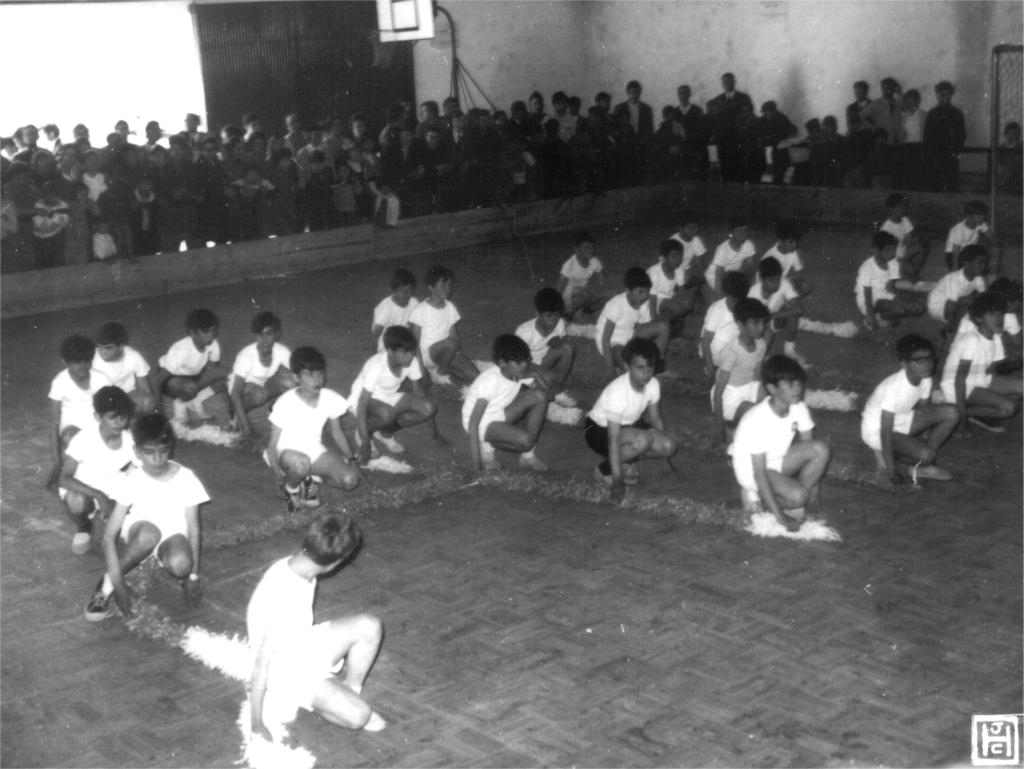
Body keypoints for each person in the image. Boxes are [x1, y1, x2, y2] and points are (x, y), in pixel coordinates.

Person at [247, 512, 386, 743]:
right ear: (334, 564)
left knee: (369, 626)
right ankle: (323, 700)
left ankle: (348, 693)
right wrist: (256, 724)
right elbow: (262, 663)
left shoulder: (299, 563)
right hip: (283, 671)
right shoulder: (285, 596)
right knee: (359, 716)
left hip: (301, 643)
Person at [84, 413, 208, 621]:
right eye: (149, 452)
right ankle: (105, 587)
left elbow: (194, 531)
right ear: (137, 452)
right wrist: (118, 587)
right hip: (141, 530)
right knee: (149, 535)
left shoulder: (186, 477)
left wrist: (193, 576)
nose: (157, 459)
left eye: (163, 450)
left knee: (181, 566)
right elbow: (109, 537)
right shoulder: (133, 479)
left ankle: (159, 557)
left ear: (171, 447)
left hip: (172, 533)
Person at [729, 355, 831, 530]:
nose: (797, 388)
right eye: (790, 384)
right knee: (798, 497)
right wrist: (781, 517)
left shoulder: (798, 408)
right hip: (752, 471)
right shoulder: (757, 420)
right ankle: (754, 498)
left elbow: (810, 451)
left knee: (820, 449)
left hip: (776, 462)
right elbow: (759, 473)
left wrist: (813, 502)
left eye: (798, 383)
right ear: (772, 388)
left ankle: (793, 498)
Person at [266, 346, 360, 512]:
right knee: (301, 463)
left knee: (350, 480)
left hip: (313, 451)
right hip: (285, 451)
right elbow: (272, 445)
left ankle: (309, 479)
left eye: (320, 373)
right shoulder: (285, 402)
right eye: (309, 374)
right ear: (296, 377)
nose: (317, 379)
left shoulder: (330, 397)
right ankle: (291, 490)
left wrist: (351, 460)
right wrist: (278, 475)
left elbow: (337, 432)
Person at [585, 337, 678, 500]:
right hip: (599, 430)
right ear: (627, 367)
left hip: (629, 424)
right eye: (640, 367)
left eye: (650, 366)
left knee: (669, 446)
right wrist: (617, 482)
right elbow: (613, 438)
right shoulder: (618, 392)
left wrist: (665, 461)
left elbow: (656, 419)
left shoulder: (653, 384)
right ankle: (603, 470)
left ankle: (626, 460)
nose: (646, 373)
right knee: (642, 441)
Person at [861, 334, 958, 489]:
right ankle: (897, 464)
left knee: (952, 412)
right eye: (919, 361)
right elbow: (885, 433)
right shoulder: (893, 389)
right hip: (876, 431)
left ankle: (920, 463)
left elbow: (924, 412)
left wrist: (923, 441)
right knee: (927, 455)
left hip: (901, 419)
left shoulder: (925, 378)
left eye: (929, 359)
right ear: (904, 364)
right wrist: (892, 474)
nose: (926, 365)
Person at [59, 386, 136, 555]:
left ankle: (105, 517)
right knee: (76, 501)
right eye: (112, 417)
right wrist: (99, 496)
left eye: (123, 417)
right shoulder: (84, 439)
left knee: (113, 536)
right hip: (83, 485)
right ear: (97, 417)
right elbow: (64, 478)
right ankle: (84, 526)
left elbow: (141, 469)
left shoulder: (129, 440)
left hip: (112, 484)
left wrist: (122, 499)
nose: (119, 422)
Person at [462, 334, 550, 473]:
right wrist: (476, 465)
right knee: (526, 441)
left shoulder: (516, 372)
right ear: (502, 362)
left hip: (498, 413)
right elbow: (473, 423)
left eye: (526, 361)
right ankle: (487, 448)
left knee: (539, 396)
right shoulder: (490, 381)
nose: (524, 366)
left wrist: (537, 376)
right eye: (519, 362)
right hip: (481, 424)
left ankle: (527, 457)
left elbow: (548, 397)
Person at [350, 326, 438, 461]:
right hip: (361, 400)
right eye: (404, 353)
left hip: (387, 397)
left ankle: (385, 433)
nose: (410, 356)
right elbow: (361, 405)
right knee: (387, 414)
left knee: (429, 408)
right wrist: (365, 442)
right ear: (390, 352)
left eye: (412, 352)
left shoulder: (412, 362)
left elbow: (419, 393)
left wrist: (434, 432)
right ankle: (364, 432)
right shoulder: (376, 366)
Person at [940, 292, 1022, 434]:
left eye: (1000, 313)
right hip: (958, 387)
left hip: (979, 380)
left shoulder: (994, 338)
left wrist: (1000, 391)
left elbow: (991, 371)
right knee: (1009, 408)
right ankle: (961, 412)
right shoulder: (972, 340)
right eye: (991, 314)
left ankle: (975, 409)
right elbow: (960, 379)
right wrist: (963, 418)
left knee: (1020, 388)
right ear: (978, 318)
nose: (998, 318)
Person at [49, 335, 112, 488]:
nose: (83, 366)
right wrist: (56, 463)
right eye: (77, 362)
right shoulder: (59, 382)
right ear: (65, 362)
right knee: (73, 439)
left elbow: (112, 408)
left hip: (97, 424)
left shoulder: (101, 378)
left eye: (87, 361)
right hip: (72, 429)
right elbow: (54, 424)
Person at [150, 308, 231, 426]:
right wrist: (159, 411)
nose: (211, 336)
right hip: (171, 378)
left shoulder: (213, 344)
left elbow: (212, 369)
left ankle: (197, 399)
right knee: (190, 388)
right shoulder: (181, 350)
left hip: (193, 374)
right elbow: (156, 380)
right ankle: (180, 407)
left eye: (213, 331)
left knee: (231, 375)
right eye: (205, 332)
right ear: (192, 334)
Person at [229, 312, 298, 438]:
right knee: (259, 395)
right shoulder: (247, 356)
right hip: (240, 386)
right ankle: (235, 412)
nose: (264, 340)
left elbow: (299, 371)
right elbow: (235, 392)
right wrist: (247, 426)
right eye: (260, 335)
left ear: (277, 334)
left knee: (292, 382)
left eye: (269, 334)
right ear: (256, 336)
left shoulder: (281, 350)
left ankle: (274, 407)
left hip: (261, 383)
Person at [408, 265, 479, 386]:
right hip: (427, 356)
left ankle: (442, 370)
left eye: (449, 285)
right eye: (443, 286)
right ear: (431, 287)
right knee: (450, 344)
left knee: (474, 376)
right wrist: (420, 370)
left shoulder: (450, 307)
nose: (447, 289)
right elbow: (414, 344)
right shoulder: (420, 310)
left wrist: (461, 357)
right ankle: (440, 373)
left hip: (446, 353)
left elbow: (454, 336)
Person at [712, 298, 769, 445]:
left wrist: (760, 398)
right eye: (756, 323)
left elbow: (757, 376)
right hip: (728, 395)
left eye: (763, 322)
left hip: (747, 388)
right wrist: (720, 432)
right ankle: (731, 430)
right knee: (751, 411)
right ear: (740, 325)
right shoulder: (733, 352)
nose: (761, 327)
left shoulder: (761, 345)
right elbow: (718, 393)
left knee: (770, 402)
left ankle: (744, 431)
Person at [596, 267, 670, 378]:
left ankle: (658, 366)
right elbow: (605, 339)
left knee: (663, 326)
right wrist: (610, 368)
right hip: (612, 342)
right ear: (628, 290)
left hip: (629, 337)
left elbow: (640, 330)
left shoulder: (644, 304)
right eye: (640, 291)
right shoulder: (615, 305)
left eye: (647, 291)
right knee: (631, 370)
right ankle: (622, 366)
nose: (644, 296)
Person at [855, 231, 925, 330]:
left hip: (885, 295)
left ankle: (886, 317)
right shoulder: (867, 268)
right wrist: (871, 317)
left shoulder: (893, 263)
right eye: (888, 250)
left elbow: (891, 287)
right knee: (899, 310)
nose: (892, 253)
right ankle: (871, 319)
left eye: (893, 249)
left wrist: (902, 298)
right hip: (869, 299)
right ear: (876, 250)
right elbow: (867, 297)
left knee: (919, 309)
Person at [514, 287, 575, 391]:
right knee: (547, 379)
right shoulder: (524, 332)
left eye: (557, 315)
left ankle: (559, 382)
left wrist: (559, 342)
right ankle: (546, 381)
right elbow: (515, 361)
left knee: (568, 348)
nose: (554, 319)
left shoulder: (560, 323)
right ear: (538, 313)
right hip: (527, 365)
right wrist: (539, 371)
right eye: (549, 316)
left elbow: (563, 342)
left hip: (544, 360)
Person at [749, 256, 806, 365]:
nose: (777, 284)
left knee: (792, 311)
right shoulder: (753, 293)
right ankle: (759, 359)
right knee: (768, 334)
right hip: (760, 324)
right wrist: (765, 323)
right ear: (762, 279)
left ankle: (789, 350)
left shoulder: (784, 283)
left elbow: (799, 309)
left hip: (773, 318)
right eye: (772, 280)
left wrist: (773, 316)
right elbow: (752, 322)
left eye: (778, 279)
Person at [93, 322, 156, 415]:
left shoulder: (133, 356)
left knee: (148, 401)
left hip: (128, 395)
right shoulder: (93, 360)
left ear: (121, 347)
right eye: (99, 347)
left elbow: (146, 389)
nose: (102, 352)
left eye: (108, 348)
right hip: (104, 400)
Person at [700, 271, 752, 380]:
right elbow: (705, 343)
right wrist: (710, 368)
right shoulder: (717, 310)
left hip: (730, 352)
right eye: (734, 300)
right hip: (713, 354)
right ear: (727, 295)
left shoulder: (743, 307)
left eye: (740, 300)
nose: (736, 304)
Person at [706, 73, 755, 182]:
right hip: (723, 141)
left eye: (729, 81)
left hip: (740, 141)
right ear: (722, 84)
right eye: (724, 82)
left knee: (740, 170)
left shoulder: (744, 98)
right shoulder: (717, 99)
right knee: (725, 170)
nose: (727, 84)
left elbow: (748, 117)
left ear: (734, 82)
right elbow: (713, 120)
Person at [926, 244, 989, 326]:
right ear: (966, 264)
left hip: (956, 301)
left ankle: (962, 320)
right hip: (938, 305)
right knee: (968, 303)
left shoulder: (978, 278)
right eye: (980, 263)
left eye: (984, 263)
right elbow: (951, 307)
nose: (983, 266)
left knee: (977, 302)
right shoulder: (954, 279)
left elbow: (984, 296)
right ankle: (951, 326)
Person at [556, 231, 615, 318]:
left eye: (591, 247)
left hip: (583, 293)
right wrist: (557, 308)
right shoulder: (569, 265)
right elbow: (559, 289)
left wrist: (612, 292)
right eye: (586, 247)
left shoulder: (594, 261)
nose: (590, 250)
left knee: (612, 294)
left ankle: (588, 309)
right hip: (569, 296)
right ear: (576, 250)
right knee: (586, 292)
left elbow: (603, 282)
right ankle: (569, 313)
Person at [923, 81, 966, 193]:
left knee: (952, 186)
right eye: (940, 94)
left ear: (951, 95)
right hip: (934, 155)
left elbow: (961, 135)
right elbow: (927, 136)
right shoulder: (932, 114)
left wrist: (956, 152)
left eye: (946, 94)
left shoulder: (956, 113)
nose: (943, 97)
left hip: (950, 155)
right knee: (934, 186)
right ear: (936, 95)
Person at [879, 193, 930, 282]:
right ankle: (904, 273)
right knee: (912, 272)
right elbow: (885, 254)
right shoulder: (886, 229)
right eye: (900, 207)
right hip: (895, 258)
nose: (903, 209)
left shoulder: (904, 220)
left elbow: (911, 237)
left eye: (904, 206)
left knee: (923, 244)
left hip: (904, 253)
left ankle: (909, 271)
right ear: (891, 209)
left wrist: (913, 240)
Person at [647, 239, 695, 333]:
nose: (678, 259)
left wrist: (683, 302)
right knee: (677, 307)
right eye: (674, 256)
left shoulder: (678, 269)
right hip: (653, 301)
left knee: (687, 303)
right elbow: (652, 300)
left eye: (680, 255)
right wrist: (653, 322)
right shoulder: (655, 272)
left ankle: (670, 321)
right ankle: (659, 324)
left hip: (667, 298)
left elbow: (682, 290)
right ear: (664, 258)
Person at [704, 217, 756, 297]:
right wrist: (720, 298)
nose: (743, 234)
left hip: (733, 274)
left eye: (745, 231)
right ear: (731, 233)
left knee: (750, 289)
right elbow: (718, 277)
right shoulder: (723, 249)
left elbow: (750, 267)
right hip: (714, 275)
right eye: (739, 232)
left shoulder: (748, 245)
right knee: (728, 295)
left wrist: (749, 284)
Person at [667, 211, 710, 308]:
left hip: (685, 270)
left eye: (695, 227)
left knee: (704, 274)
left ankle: (694, 291)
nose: (694, 231)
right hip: (672, 272)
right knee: (692, 276)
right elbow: (670, 266)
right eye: (690, 228)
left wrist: (700, 272)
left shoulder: (696, 240)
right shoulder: (673, 241)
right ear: (681, 228)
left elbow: (700, 263)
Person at [370, 268, 419, 352]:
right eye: (401, 290)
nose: (405, 293)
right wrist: (375, 357)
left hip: (405, 343)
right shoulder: (385, 310)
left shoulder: (414, 303)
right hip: (387, 347)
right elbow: (374, 336)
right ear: (393, 291)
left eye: (409, 289)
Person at [760, 220, 810, 296]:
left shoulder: (793, 252)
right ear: (780, 242)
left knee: (806, 286)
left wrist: (799, 282)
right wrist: (790, 282)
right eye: (791, 242)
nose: (795, 245)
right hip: (768, 285)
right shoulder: (771, 256)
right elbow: (768, 281)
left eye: (796, 241)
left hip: (780, 281)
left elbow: (799, 272)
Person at [943, 200, 990, 271]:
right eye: (979, 216)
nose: (982, 218)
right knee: (965, 271)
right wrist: (954, 267)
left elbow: (991, 236)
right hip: (953, 254)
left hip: (968, 252)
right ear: (968, 216)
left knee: (986, 255)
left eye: (983, 216)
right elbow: (956, 249)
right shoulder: (959, 229)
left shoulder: (980, 224)